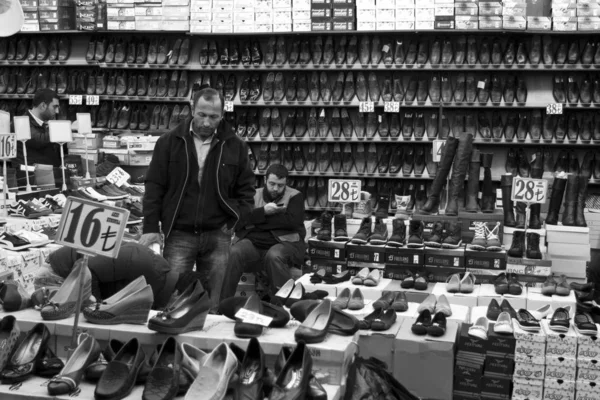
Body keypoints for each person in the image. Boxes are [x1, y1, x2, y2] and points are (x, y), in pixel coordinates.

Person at [139, 86, 255, 308]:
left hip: (218, 234)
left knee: (211, 302)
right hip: (179, 232)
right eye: (202, 115)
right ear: (192, 109)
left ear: (222, 115)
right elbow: (154, 186)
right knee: (171, 299)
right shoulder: (169, 142)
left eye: (213, 117)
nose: (206, 122)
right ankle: (171, 341)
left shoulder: (235, 146)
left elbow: (246, 189)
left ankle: (205, 341)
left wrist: (236, 221)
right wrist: (151, 227)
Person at [220, 164, 307, 301]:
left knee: (274, 255)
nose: (275, 189)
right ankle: (223, 303)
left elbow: (292, 223)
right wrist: (264, 212)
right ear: (265, 180)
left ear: (286, 184)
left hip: (286, 243)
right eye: (272, 184)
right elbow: (239, 222)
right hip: (256, 245)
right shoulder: (254, 195)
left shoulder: (295, 195)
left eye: (280, 185)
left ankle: (287, 303)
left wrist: (256, 221)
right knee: (235, 252)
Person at [34, 242, 200, 310]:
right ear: (178, 294)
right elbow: (87, 268)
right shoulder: (149, 266)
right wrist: (96, 308)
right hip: (57, 276)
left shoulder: (158, 278)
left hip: (68, 274)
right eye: (184, 306)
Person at [16, 89, 64, 167]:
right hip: (31, 176)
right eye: (55, 107)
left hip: (46, 174)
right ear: (43, 106)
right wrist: (64, 128)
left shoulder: (43, 124)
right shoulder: (21, 122)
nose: (57, 111)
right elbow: (38, 140)